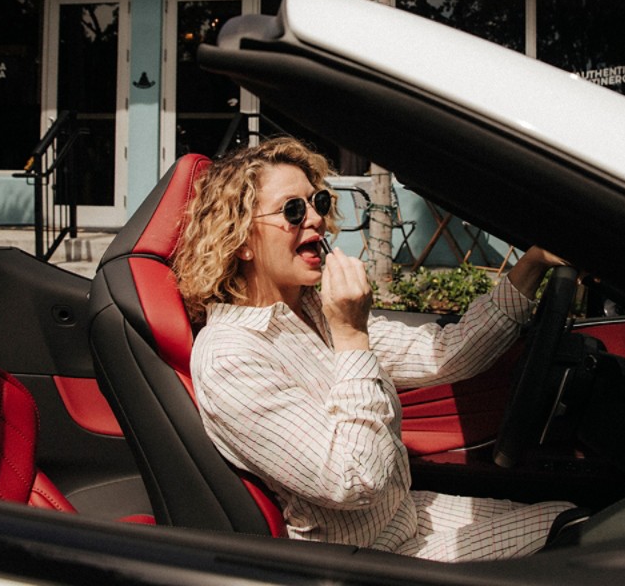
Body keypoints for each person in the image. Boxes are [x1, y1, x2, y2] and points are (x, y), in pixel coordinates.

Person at [174, 137, 575, 562]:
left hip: (407, 518)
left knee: (575, 524)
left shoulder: (312, 306)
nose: (315, 219)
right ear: (242, 241)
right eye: (293, 210)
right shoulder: (231, 357)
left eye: (319, 202)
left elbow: (448, 352)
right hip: (362, 559)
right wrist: (351, 336)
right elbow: (354, 480)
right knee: (579, 549)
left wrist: (531, 264)